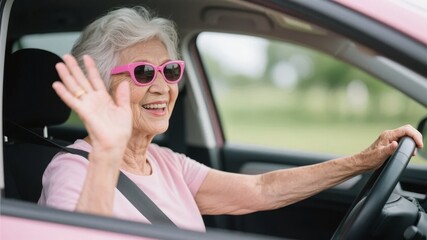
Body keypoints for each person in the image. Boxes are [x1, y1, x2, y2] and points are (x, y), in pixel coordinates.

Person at [38, 6, 423, 232]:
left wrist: (363, 159)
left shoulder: (165, 162)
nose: (161, 87)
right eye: (142, 73)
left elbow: (261, 189)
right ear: (100, 87)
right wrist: (106, 154)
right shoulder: (72, 170)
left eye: (170, 71)